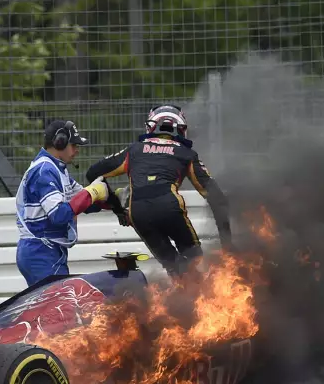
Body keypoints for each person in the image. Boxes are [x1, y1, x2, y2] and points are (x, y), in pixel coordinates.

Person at [85, 104, 232, 277]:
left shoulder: (134, 150)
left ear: (151, 126)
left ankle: (181, 300)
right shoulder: (186, 154)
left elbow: (93, 174)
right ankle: (204, 298)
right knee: (195, 261)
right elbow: (217, 198)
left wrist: (117, 208)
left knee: (173, 267)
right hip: (170, 208)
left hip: (138, 212)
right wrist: (227, 246)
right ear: (182, 128)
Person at [15, 119, 113, 286]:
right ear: (59, 143)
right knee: (57, 309)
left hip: (47, 251)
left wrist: (117, 201)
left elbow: (84, 202)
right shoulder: (44, 170)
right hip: (40, 252)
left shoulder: (58, 170)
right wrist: (93, 191)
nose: (77, 150)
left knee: (53, 309)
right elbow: (60, 215)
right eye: (73, 145)